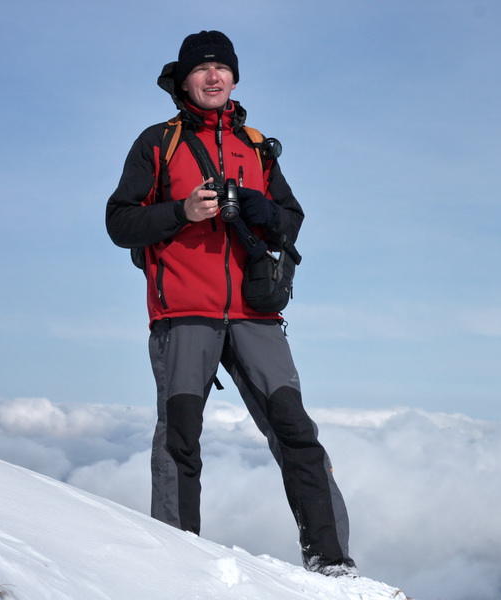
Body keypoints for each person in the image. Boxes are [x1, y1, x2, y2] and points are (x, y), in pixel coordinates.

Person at [106, 30, 356, 577]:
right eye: (202, 69)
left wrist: (261, 207)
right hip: (184, 312)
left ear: (235, 79)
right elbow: (119, 222)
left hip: (256, 311)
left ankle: (332, 562)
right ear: (184, 79)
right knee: (180, 438)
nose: (213, 77)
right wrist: (182, 212)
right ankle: (178, 560)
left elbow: (292, 224)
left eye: (223, 68)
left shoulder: (258, 145)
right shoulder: (158, 142)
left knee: (295, 431)